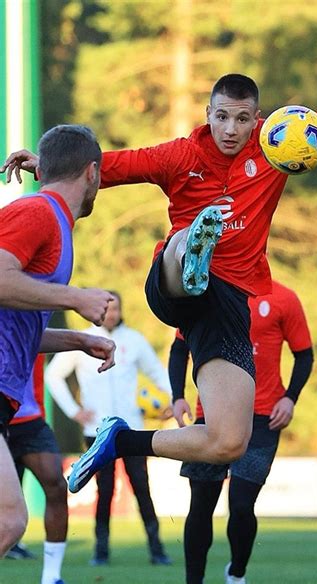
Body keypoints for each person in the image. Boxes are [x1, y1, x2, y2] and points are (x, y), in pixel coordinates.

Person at [1, 21, 317, 495]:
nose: (230, 129)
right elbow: (103, 168)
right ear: (208, 113)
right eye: (222, 117)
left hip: (227, 306)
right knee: (184, 249)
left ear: (257, 118)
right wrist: (45, 164)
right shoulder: (179, 155)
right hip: (173, 286)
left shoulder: (280, 145)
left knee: (228, 441)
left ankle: (121, 441)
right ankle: (192, 245)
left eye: (242, 119)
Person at [0, 124, 116, 558]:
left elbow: (15, 325)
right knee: (9, 519)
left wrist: (77, 340)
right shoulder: (37, 213)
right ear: (92, 173)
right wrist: (75, 296)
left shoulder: (54, 224)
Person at [170, 279, 313, 584]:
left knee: (241, 504)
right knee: (201, 503)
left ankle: (236, 574)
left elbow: (305, 354)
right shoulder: (206, 293)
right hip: (210, 413)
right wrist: (177, 395)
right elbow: (179, 348)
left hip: (263, 417)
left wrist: (290, 398)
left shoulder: (284, 298)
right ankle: (193, 581)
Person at [45, 291, 173, 567]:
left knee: (142, 488)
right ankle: (100, 552)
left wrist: (174, 400)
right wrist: (73, 411)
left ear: (121, 310)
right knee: (104, 492)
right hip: (97, 430)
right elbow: (52, 375)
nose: (111, 313)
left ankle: (157, 550)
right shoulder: (84, 341)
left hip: (131, 430)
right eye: (107, 308)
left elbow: (157, 373)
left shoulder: (134, 340)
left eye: (116, 308)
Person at [6, 355, 69, 584]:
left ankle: (51, 576)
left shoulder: (32, 323)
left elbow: (45, 338)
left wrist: (85, 341)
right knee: (11, 519)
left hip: (29, 420)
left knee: (57, 485)